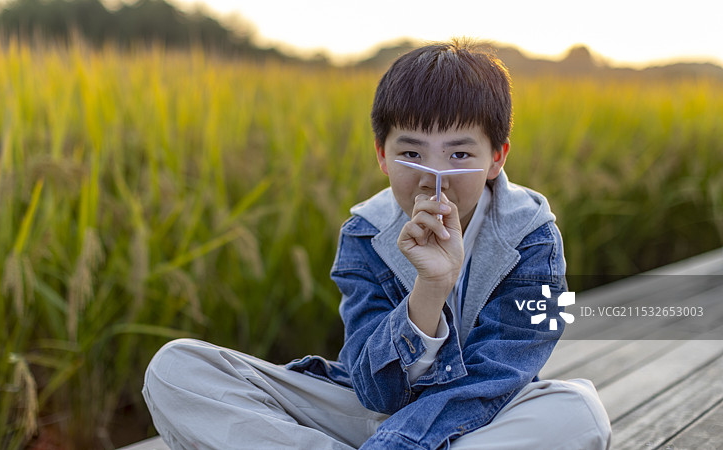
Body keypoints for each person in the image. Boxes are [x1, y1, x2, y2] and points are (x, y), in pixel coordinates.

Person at [142, 39, 612, 449]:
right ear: (382, 157)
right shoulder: (364, 233)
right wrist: (430, 288)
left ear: (497, 158)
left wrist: (400, 444)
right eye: (410, 152)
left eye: (460, 154)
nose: (434, 177)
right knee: (175, 368)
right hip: (372, 415)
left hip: (480, 421)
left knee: (579, 412)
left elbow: (499, 380)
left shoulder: (536, 234)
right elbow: (374, 392)